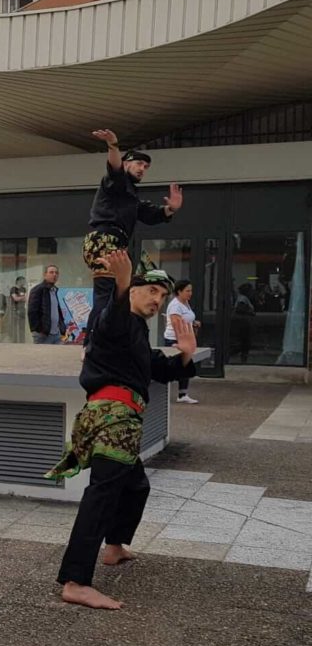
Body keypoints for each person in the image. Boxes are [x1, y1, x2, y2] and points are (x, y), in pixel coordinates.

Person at [45, 251, 197, 610]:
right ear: (133, 292)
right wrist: (123, 282)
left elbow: (157, 367)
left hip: (123, 422)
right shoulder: (113, 321)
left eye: (163, 296)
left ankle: (114, 547)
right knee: (101, 496)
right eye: (152, 292)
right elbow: (110, 318)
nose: (158, 300)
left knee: (136, 486)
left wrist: (187, 354)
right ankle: (76, 581)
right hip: (112, 419)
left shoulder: (135, 333)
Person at [84, 129, 183, 335]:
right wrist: (112, 145)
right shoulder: (115, 184)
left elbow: (151, 214)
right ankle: (92, 343)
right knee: (107, 293)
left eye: (145, 167)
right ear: (127, 163)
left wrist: (171, 208)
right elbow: (115, 169)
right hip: (104, 240)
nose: (142, 169)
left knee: (118, 294)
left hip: (115, 243)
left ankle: (110, 337)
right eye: (138, 164)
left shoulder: (132, 198)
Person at [163, 279, 201, 404]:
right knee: (175, 366)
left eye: (191, 291)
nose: (190, 293)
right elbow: (176, 324)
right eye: (187, 291)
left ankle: (182, 393)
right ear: (179, 291)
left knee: (185, 365)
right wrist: (180, 342)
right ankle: (165, 393)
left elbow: (186, 318)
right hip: (175, 339)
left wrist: (193, 323)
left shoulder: (185, 303)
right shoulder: (175, 306)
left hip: (186, 338)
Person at [27, 265, 66, 344]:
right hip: (43, 334)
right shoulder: (38, 290)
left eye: (56, 273)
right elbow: (32, 312)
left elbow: (57, 311)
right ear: (45, 275)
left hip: (56, 334)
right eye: (51, 272)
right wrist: (38, 330)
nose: (54, 275)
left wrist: (62, 327)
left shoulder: (54, 290)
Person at [9, 276, 28, 343]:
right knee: (15, 328)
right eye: (23, 280)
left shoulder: (24, 289)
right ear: (18, 281)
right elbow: (15, 298)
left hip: (22, 310)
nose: (24, 282)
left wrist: (21, 298)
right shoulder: (13, 289)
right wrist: (23, 297)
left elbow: (26, 299)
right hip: (15, 311)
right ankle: (14, 342)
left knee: (22, 328)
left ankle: (22, 342)